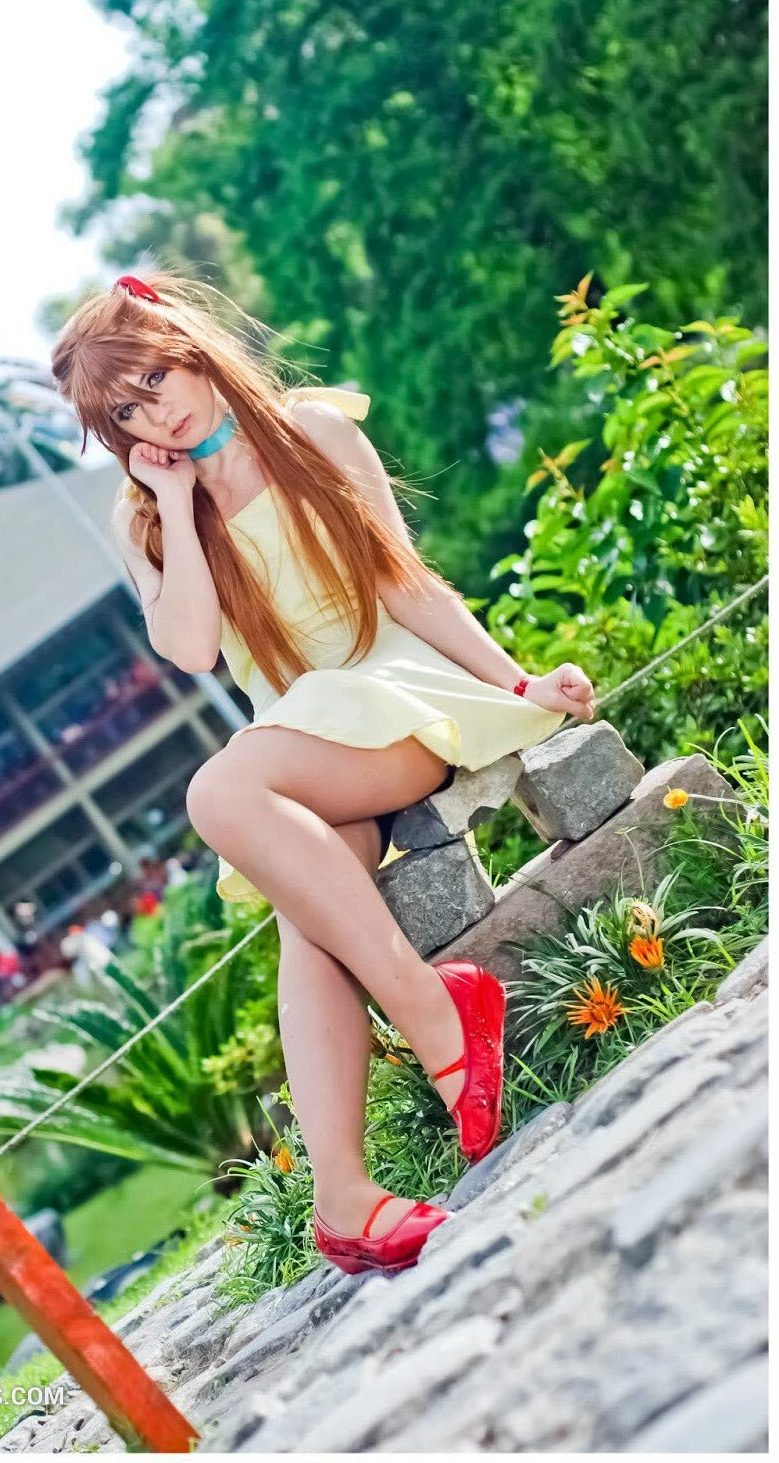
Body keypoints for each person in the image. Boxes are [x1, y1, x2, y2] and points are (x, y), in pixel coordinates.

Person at [50, 267, 597, 1276]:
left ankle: (432, 1013)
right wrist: (175, 499)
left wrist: (519, 681)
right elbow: (190, 649)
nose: (152, 415)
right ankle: (344, 1201)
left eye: (155, 381)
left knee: (217, 791)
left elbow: (407, 586)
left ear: (194, 351)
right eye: (122, 412)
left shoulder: (314, 433)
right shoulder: (149, 517)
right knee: (309, 922)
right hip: (305, 749)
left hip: (395, 703)